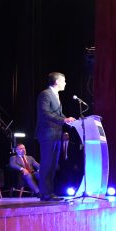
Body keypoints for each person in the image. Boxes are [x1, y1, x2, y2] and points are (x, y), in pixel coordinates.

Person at [35, 72, 75, 201]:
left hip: (56, 134)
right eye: (64, 81)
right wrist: (63, 120)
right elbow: (45, 113)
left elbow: (58, 114)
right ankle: (44, 193)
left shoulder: (56, 95)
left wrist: (68, 119)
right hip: (47, 134)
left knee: (53, 165)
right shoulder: (45, 94)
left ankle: (49, 192)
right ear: (57, 82)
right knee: (47, 164)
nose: (65, 83)